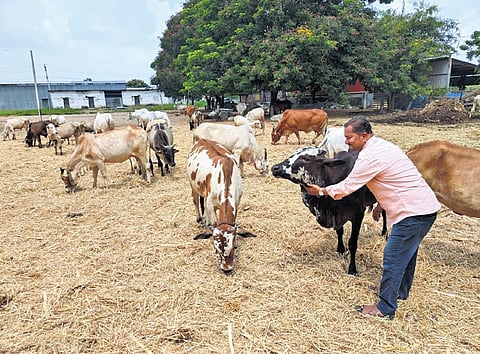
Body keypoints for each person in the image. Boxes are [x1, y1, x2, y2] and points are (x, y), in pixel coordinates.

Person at [305, 116, 440, 320]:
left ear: (364, 136)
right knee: (408, 255)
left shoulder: (369, 158)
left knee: (394, 257)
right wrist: (379, 205)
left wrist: (321, 191)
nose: (346, 142)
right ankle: (399, 292)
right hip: (425, 208)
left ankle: (385, 308)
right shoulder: (386, 147)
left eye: (349, 137)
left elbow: (347, 187)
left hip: (413, 213)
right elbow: (394, 181)